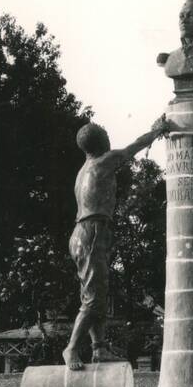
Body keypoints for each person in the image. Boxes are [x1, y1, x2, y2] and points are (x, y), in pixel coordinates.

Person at [63, 117, 171, 370]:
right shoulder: (104, 161)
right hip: (92, 232)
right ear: (101, 141)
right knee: (93, 299)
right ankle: (71, 348)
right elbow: (132, 149)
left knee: (96, 295)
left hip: (82, 233)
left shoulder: (83, 170)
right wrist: (156, 131)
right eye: (105, 134)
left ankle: (99, 348)